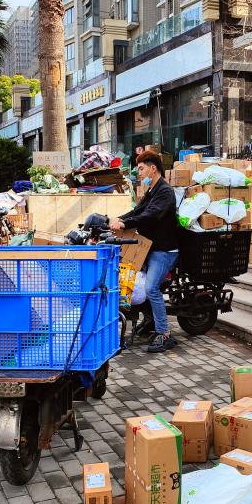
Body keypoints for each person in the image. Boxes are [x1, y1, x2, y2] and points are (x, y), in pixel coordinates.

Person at [110, 151, 179, 353]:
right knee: (132, 280)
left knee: (151, 289)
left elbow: (151, 215)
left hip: (164, 251)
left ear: (153, 168)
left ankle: (164, 334)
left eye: (141, 168)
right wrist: (116, 220)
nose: (138, 173)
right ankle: (149, 320)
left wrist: (125, 223)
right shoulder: (152, 190)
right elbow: (137, 211)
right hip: (152, 248)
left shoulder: (165, 192)